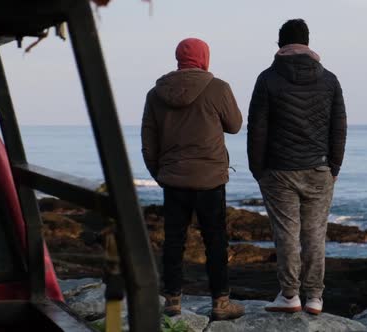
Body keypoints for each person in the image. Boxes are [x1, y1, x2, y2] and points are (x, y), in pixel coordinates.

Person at [247, 19, 347, 315]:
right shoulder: (329, 79)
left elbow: (257, 128)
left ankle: (290, 295)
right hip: (318, 168)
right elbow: (338, 128)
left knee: (286, 233)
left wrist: (257, 169)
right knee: (315, 233)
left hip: (279, 171)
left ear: (280, 44)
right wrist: (334, 166)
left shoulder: (267, 79)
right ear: (308, 43)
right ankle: (315, 296)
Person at [141, 38, 245, 320]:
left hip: (173, 179)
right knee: (215, 241)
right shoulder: (218, 88)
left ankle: (172, 300)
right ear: (204, 58)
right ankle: (220, 303)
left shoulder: (156, 93)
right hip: (210, 178)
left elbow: (148, 143)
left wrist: (160, 175)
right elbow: (235, 125)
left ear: (178, 58)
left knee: (174, 240)